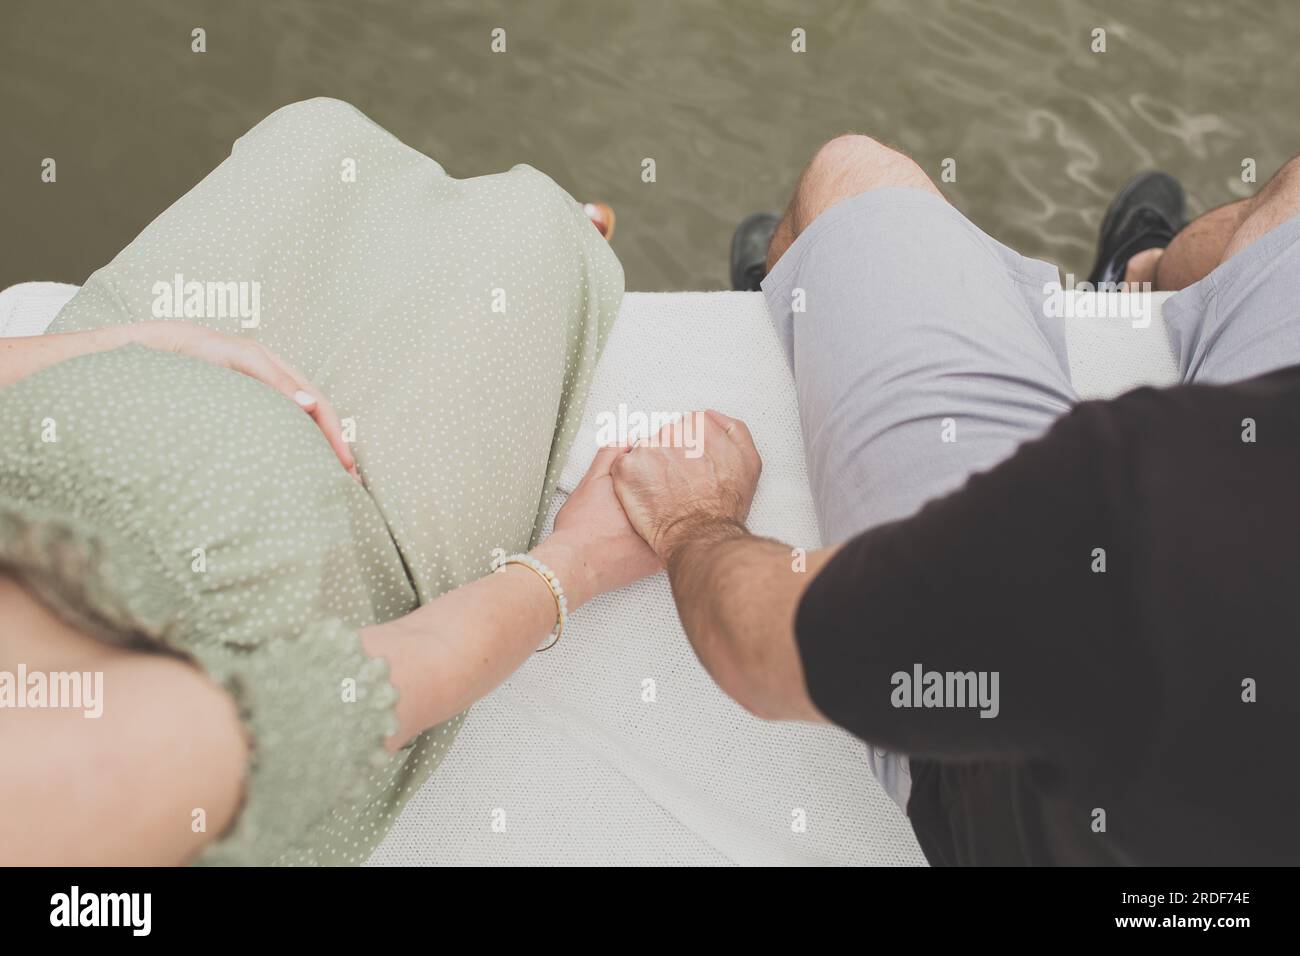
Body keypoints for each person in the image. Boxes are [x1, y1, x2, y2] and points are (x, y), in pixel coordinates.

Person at [0, 98, 660, 865]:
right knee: (533, 236)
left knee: (316, 133)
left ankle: (528, 237)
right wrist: (573, 563)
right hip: (342, 547)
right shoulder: (70, 798)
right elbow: (359, 698)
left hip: (81, 405)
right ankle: (564, 239)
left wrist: (141, 339)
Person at [613, 135, 1300, 865]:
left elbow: (759, 650)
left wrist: (695, 520)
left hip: (995, 794)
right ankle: (1140, 278)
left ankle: (801, 299)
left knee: (855, 178)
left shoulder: (1142, 518)